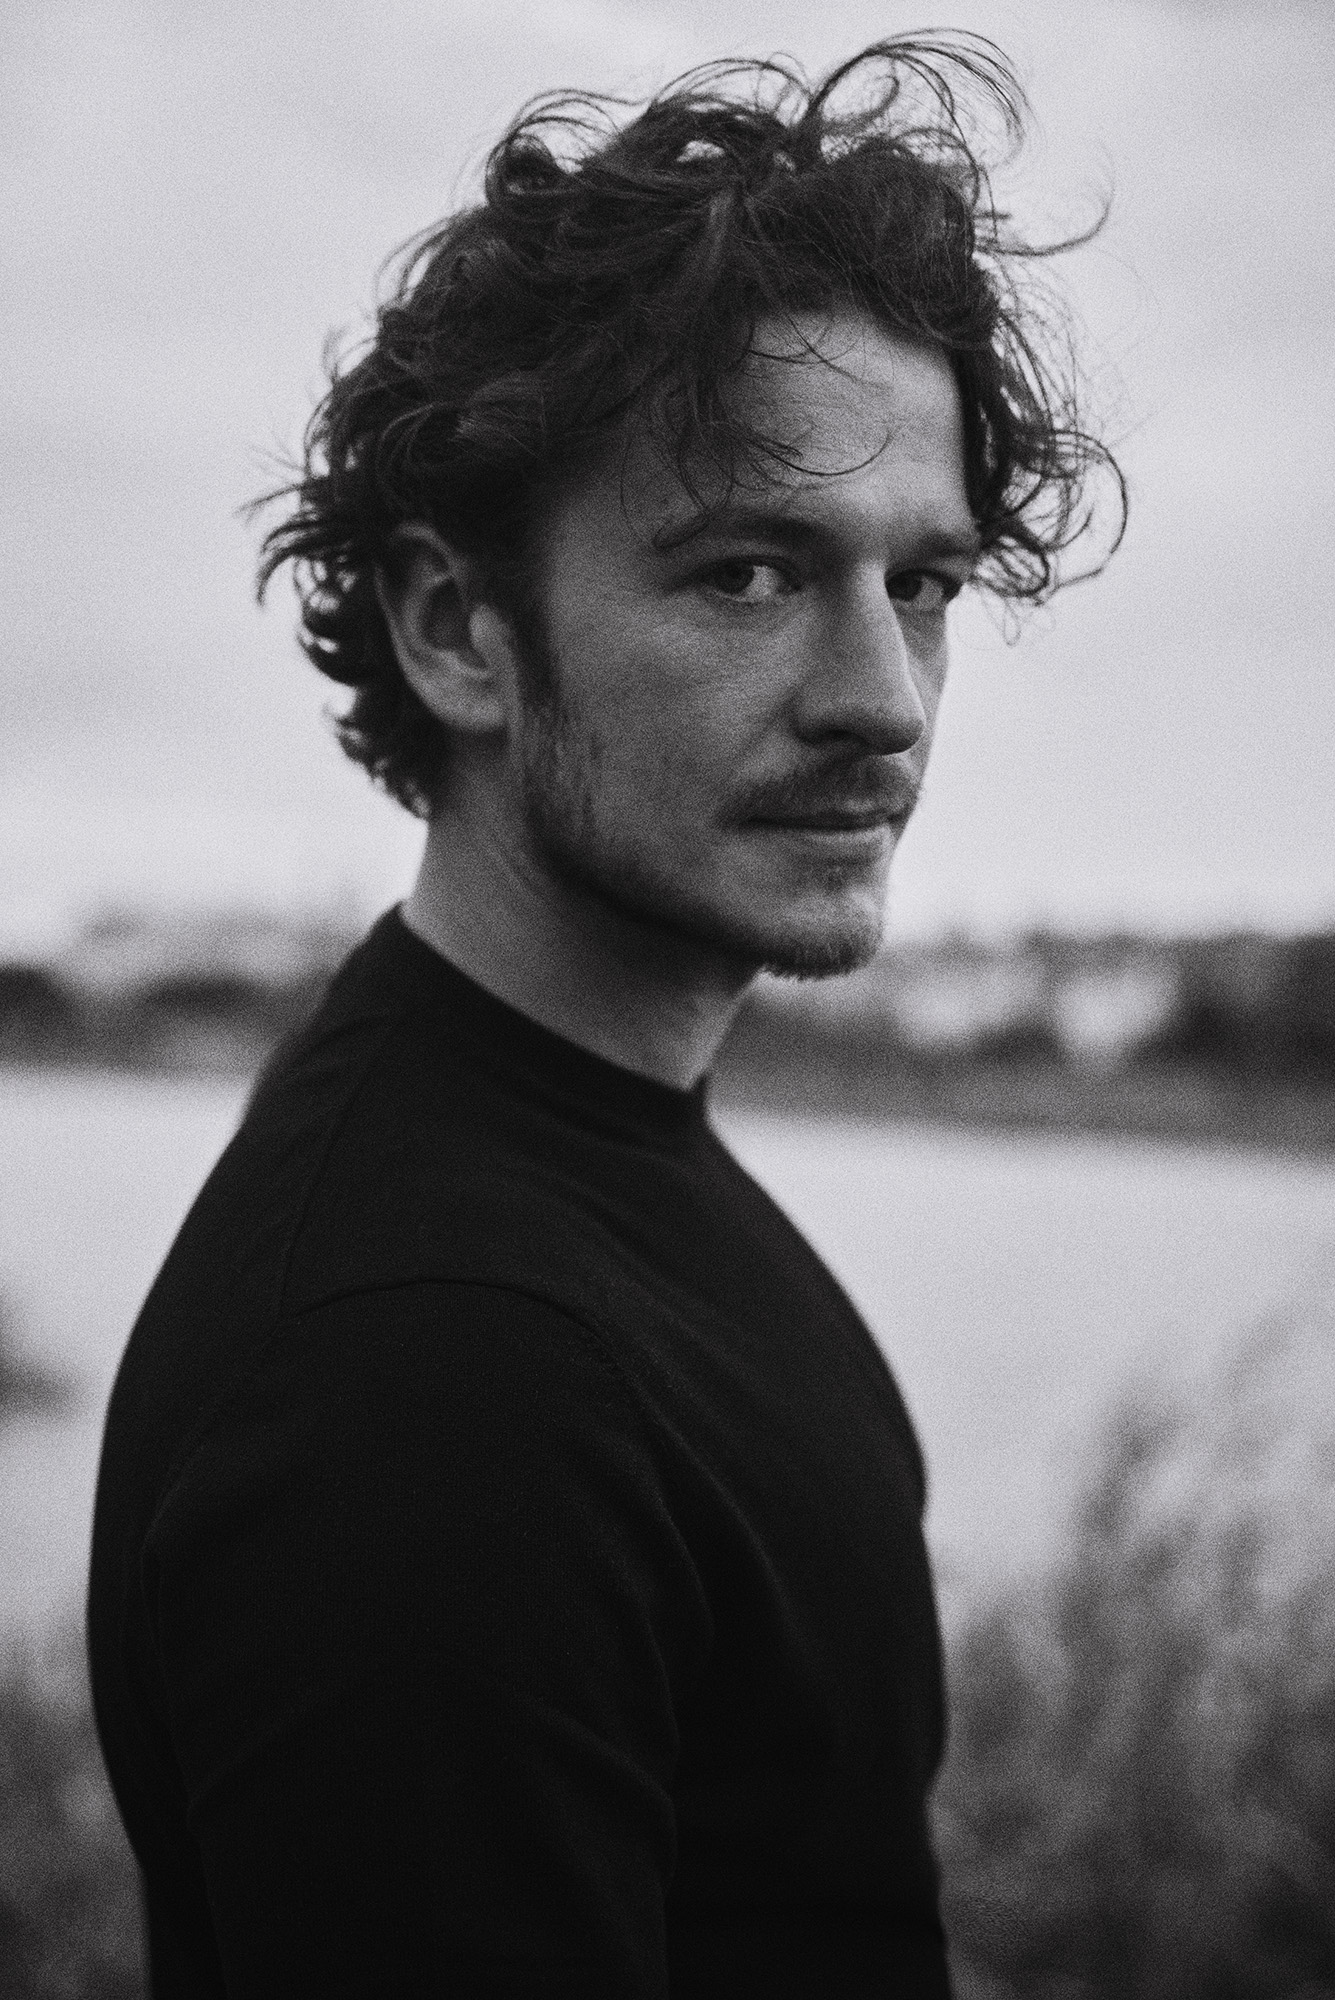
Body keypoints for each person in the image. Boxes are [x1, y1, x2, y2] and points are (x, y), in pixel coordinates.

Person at [88, 35, 1120, 1998]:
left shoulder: (566, 1166)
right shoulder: (428, 1381)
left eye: (920, 584)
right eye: (748, 572)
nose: (882, 700)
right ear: (455, 628)